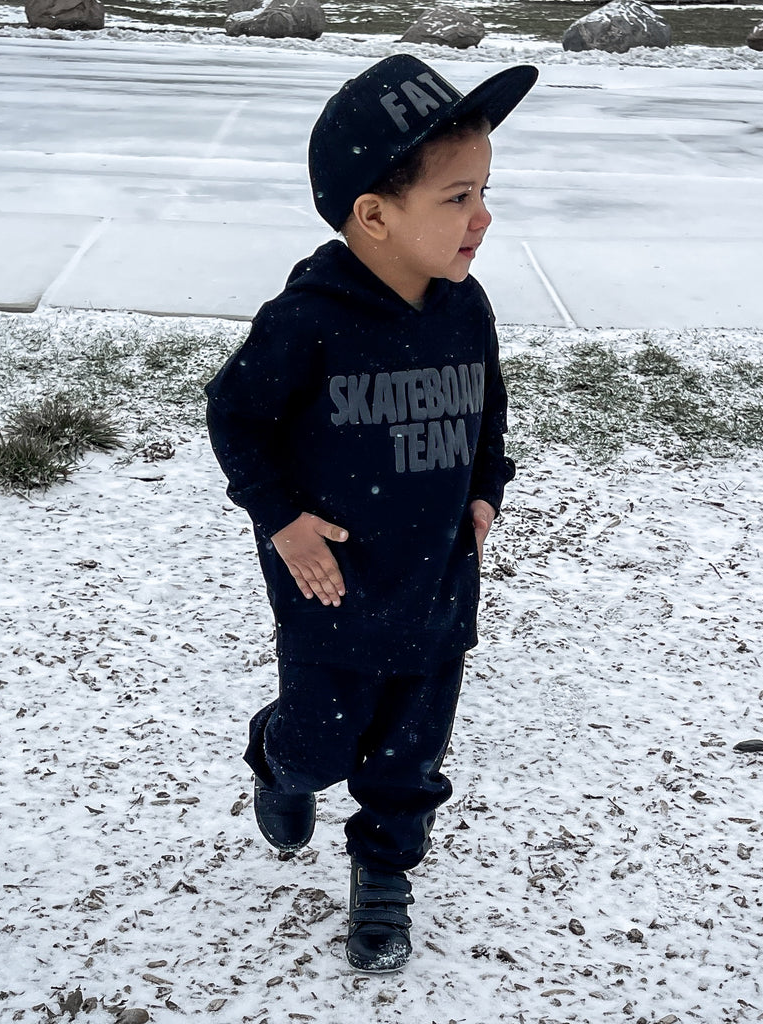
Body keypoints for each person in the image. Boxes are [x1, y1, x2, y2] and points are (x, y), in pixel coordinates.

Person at [205, 53, 537, 973]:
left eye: (485, 192)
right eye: (458, 197)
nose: (483, 217)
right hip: (333, 587)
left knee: (408, 758)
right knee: (321, 745)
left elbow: (488, 414)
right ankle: (279, 760)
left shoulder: (466, 308)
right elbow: (236, 416)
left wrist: (486, 489)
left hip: (436, 582)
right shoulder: (308, 319)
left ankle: (384, 872)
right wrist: (282, 521)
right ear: (375, 215)